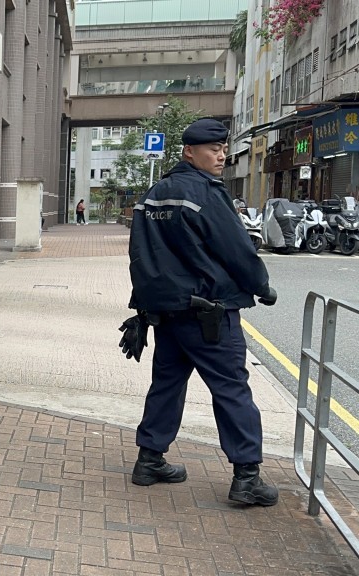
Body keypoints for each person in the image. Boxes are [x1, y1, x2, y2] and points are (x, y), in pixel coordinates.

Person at [124, 118, 279, 506]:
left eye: (224, 149)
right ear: (189, 152)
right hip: (209, 313)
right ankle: (247, 477)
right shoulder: (205, 194)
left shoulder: (153, 195)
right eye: (214, 149)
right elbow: (236, 249)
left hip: (168, 315)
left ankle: (149, 459)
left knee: (167, 385)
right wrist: (261, 286)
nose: (222, 156)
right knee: (231, 390)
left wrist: (144, 308)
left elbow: (141, 258)